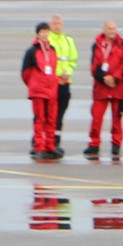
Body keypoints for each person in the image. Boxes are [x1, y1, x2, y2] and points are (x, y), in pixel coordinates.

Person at [86, 18, 123, 158]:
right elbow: (94, 66)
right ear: (104, 29)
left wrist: (114, 78)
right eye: (109, 28)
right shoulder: (97, 44)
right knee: (96, 118)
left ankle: (116, 144)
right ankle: (94, 144)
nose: (112, 31)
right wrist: (104, 78)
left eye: (114, 28)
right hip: (101, 88)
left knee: (117, 119)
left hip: (118, 87)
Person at [21, 22, 62, 161]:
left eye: (46, 31)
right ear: (37, 34)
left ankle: (50, 145)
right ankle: (39, 147)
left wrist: (54, 82)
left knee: (51, 119)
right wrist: (34, 84)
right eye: (42, 32)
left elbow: (54, 68)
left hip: (51, 89)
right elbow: (25, 73)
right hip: (38, 90)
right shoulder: (32, 51)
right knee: (40, 119)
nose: (45, 34)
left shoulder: (53, 50)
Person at [46, 14, 77, 153]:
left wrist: (67, 72)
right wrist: (58, 74)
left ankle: (56, 142)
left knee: (60, 115)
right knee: (47, 114)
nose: (57, 26)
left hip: (65, 83)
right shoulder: (47, 40)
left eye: (59, 24)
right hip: (51, 84)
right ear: (50, 25)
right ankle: (42, 142)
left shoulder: (68, 41)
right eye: (54, 24)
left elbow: (73, 60)